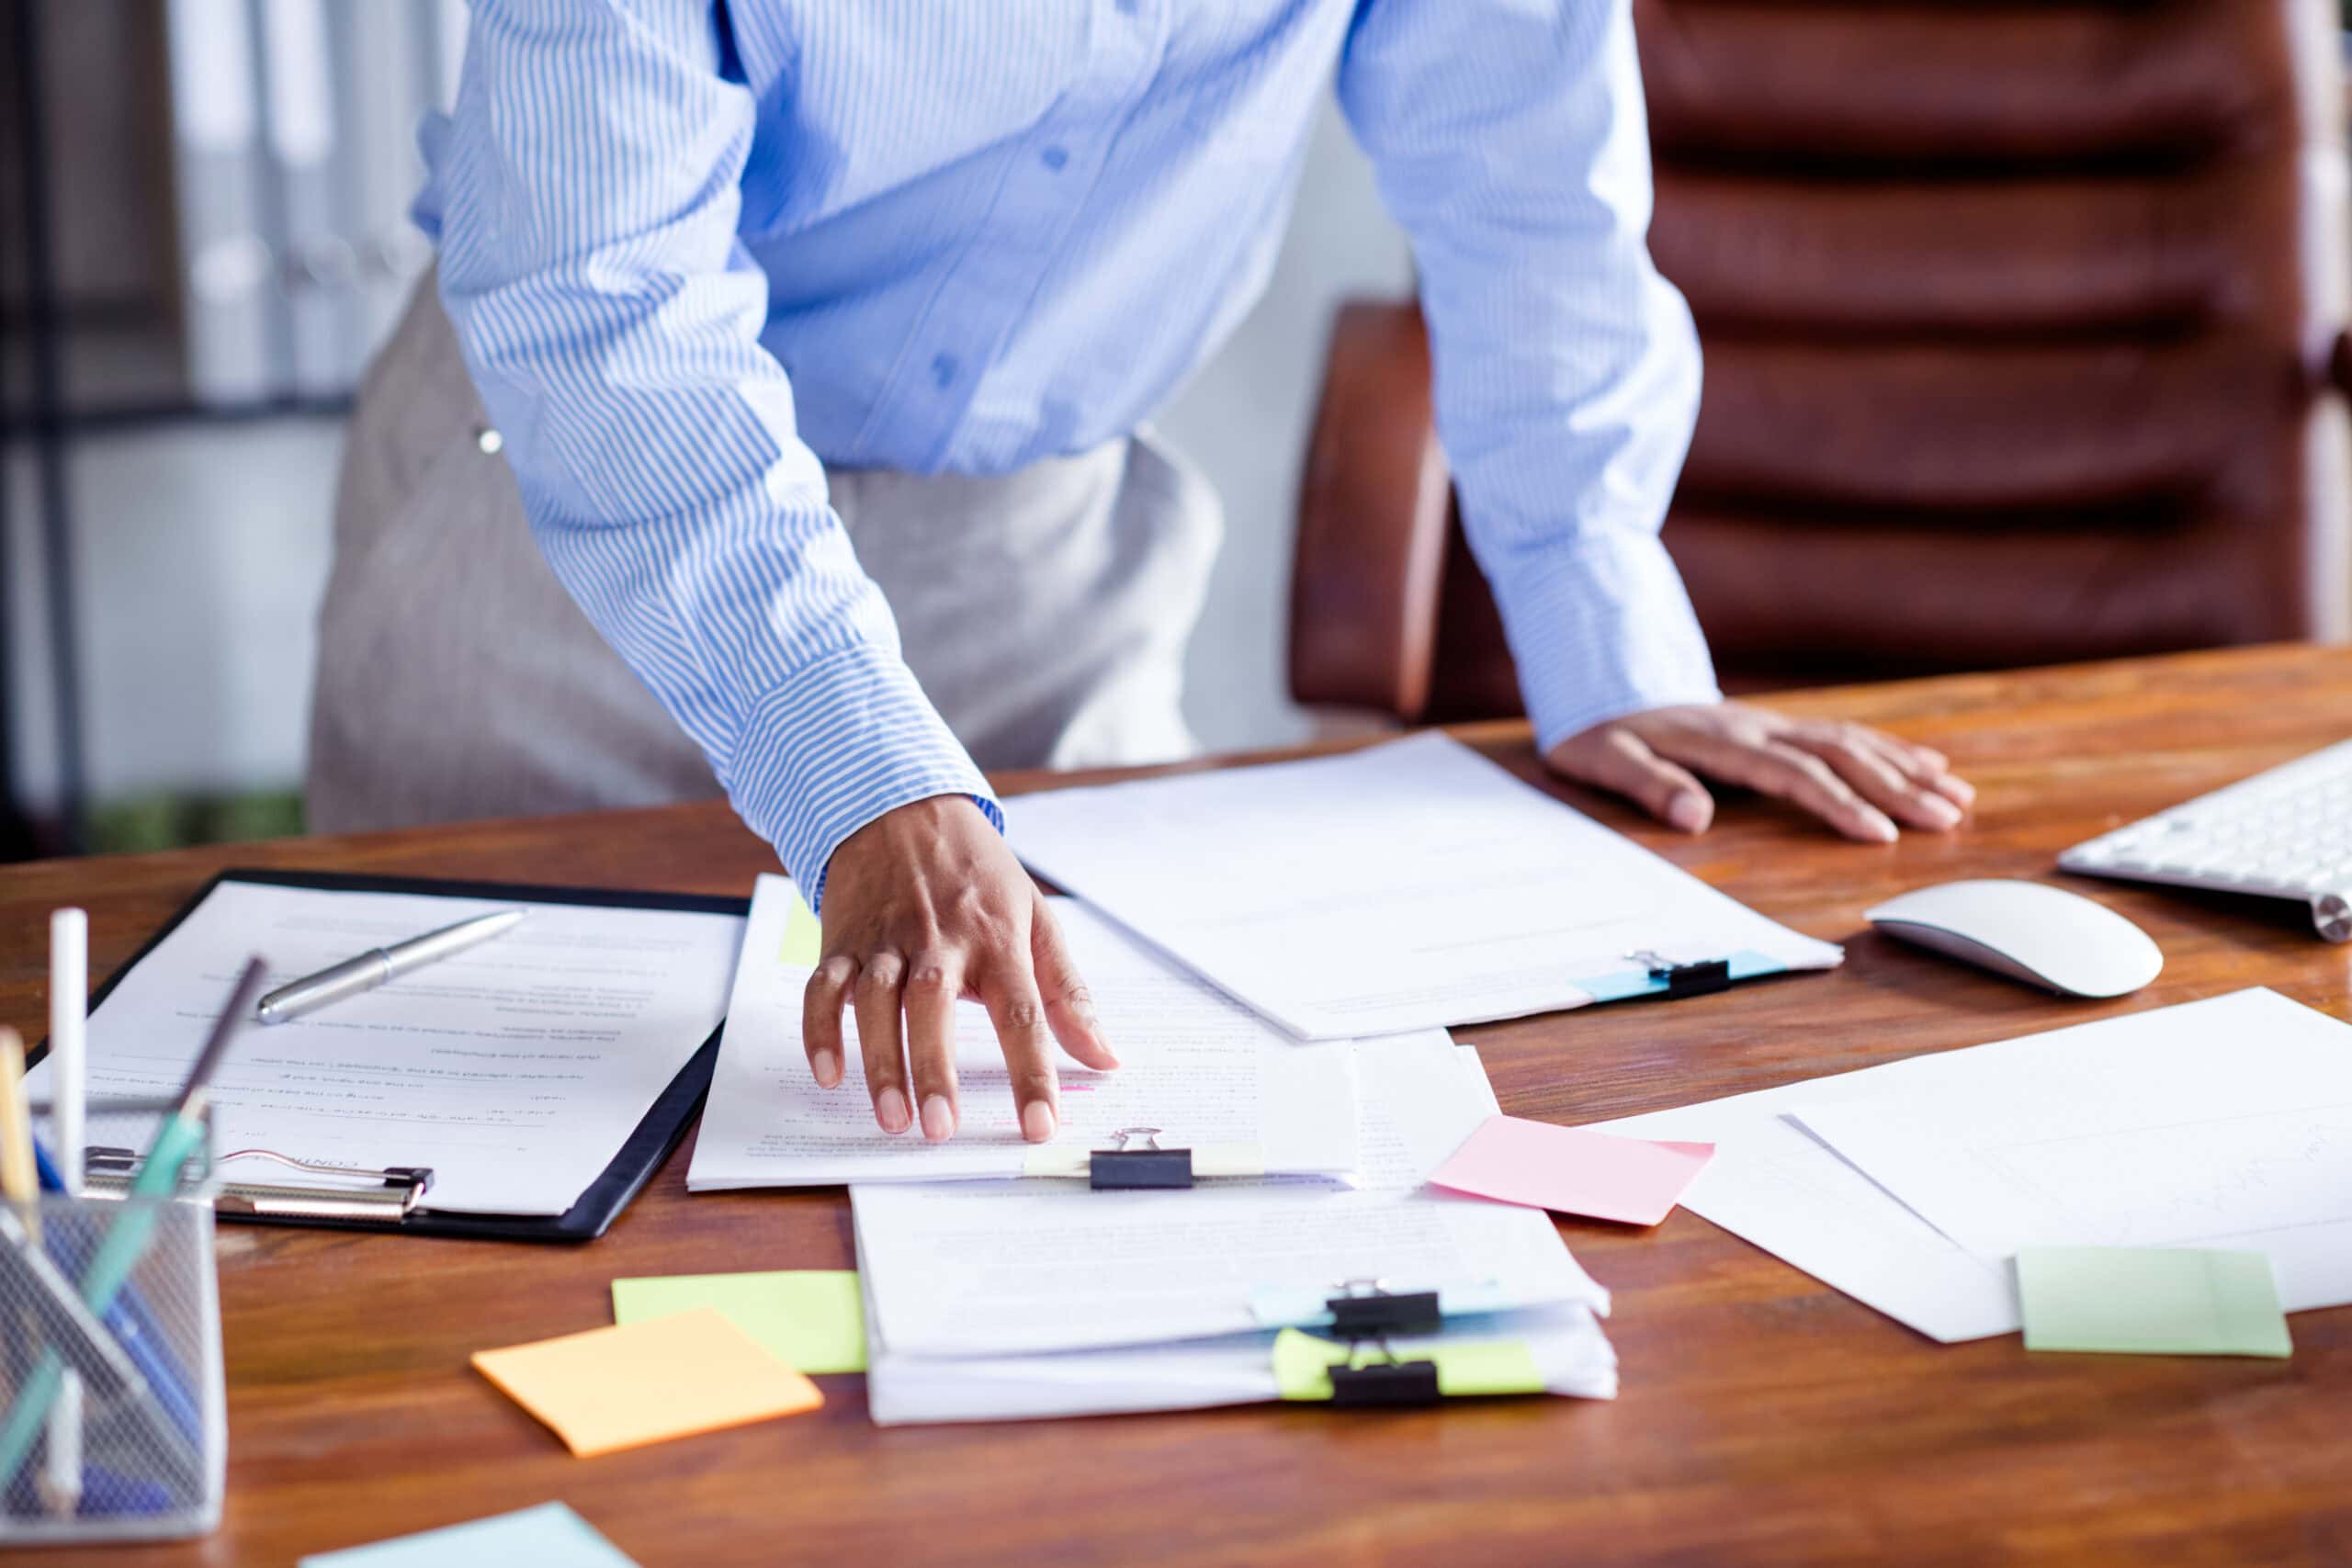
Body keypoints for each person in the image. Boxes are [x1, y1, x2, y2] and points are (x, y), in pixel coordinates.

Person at [309, 1, 1973, 1150]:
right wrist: (855, 766)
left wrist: (1604, 616)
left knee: (1072, 1170)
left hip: (1035, 557)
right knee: (461, 1176)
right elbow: (596, 291)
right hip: (566, 517)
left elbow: (1529, 181)